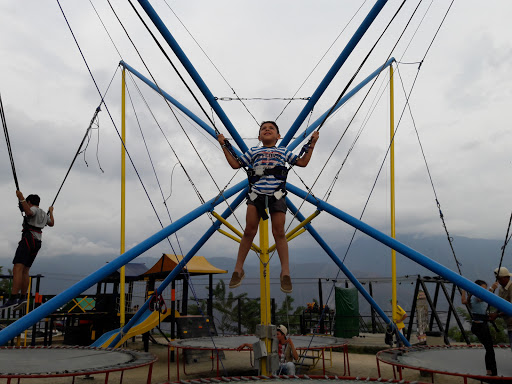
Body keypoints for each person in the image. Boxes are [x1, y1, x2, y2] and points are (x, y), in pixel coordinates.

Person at [217, 121, 319, 293]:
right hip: (256, 194)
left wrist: (312, 144)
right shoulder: (253, 151)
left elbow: (302, 162)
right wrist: (223, 145)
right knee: (249, 231)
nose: (267, 130)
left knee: (279, 232)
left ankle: (285, 272)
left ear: (278, 136)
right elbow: (236, 164)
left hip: (277, 194)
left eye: (271, 128)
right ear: (259, 137)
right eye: (263, 128)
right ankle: (238, 269)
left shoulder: (282, 151)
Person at [1, 191, 54, 310]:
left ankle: (13, 298)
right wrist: (51, 212)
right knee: (25, 270)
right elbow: (51, 223)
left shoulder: (33, 209)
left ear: (29, 202)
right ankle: (23, 297)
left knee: (17, 268)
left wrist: (21, 198)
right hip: (37, 242)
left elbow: (29, 212)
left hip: (28, 240)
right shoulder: (44, 215)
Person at [461, 280, 497, 376]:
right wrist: (492, 288)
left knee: (489, 348)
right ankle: (492, 372)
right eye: (482, 289)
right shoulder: (477, 297)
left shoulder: (473, 297)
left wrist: (464, 291)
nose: (484, 291)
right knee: (490, 349)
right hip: (480, 326)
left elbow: (463, 301)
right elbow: (482, 298)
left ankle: (489, 371)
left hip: (480, 324)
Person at [490, 266, 512, 350]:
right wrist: (495, 313)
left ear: (507, 277)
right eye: (497, 279)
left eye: (500, 279)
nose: (498, 281)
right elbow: (500, 304)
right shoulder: (501, 289)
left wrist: (497, 315)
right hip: (509, 325)